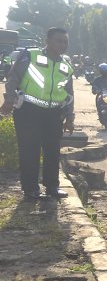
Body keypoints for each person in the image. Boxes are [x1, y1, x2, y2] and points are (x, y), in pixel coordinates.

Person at [0, 27, 75, 201]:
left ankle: (52, 187)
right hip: (28, 110)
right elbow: (13, 78)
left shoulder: (66, 65)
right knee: (29, 150)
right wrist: (9, 100)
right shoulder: (30, 56)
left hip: (54, 113)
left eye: (65, 41)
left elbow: (69, 94)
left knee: (52, 150)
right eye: (59, 40)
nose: (63, 44)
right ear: (47, 41)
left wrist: (70, 117)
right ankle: (30, 188)